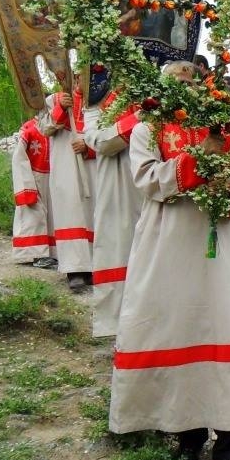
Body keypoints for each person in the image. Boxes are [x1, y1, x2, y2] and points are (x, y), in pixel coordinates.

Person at [109, 61, 230, 460]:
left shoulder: (229, 130)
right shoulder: (148, 129)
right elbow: (146, 178)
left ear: (201, 87)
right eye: (174, 83)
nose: (182, 89)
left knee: (225, 325)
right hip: (168, 245)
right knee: (181, 328)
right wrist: (195, 166)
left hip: (221, 246)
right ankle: (187, 435)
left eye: (189, 82)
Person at [83, 84, 142, 337]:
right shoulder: (97, 101)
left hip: (159, 185)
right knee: (120, 250)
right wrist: (140, 117)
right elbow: (100, 141)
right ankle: (120, 328)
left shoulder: (158, 93)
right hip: (120, 187)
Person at [39, 73, 99, 292]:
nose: (82, 82)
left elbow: (109, 136)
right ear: (73, 78)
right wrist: (60, 109)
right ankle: (75, 269)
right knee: (71, 213)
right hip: (66, 168)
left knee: (94, 214)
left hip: (93, 167)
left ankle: (94, 266)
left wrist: (90, 147)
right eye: (79, 77)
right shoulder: (54, 99)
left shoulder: (100, 103)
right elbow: (43, 128)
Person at [11, 117, 56, 268]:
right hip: (34, 176)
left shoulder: (58, 127)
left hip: (53, 176)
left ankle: (51, 253)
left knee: (53, 216)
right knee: (34, 215)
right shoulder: (28, 128)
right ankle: (35, 254)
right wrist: (25, 185)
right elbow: (19, 158)